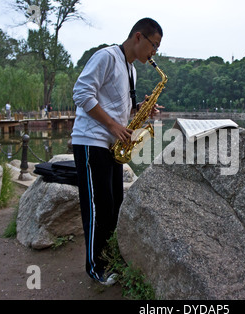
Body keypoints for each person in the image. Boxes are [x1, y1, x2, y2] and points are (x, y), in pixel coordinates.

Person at [71, 18, 163, 286]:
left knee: (113, 208)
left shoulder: (131, 70)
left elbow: (120, 110)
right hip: (91, 141)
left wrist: (143, 110)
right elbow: (81, 92)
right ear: (138, 37)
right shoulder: (107, 57)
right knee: (97, 207)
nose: (154, 52)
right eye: (153, 45)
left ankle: (109, 260)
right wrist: (112, 124)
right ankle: (94, 267)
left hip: (112, 146)